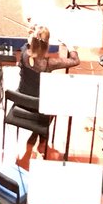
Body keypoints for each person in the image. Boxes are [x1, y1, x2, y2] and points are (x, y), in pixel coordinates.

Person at [15, 25, 78, 157]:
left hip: (21, 98)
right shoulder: (49, 63)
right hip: (38, 104)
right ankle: (40, 136)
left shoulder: (24, 52)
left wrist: (31, 35)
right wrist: (70, 46)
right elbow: (75, 60)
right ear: (47, 45)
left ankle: (37, 135)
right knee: (57, 106)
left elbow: (28, 44)